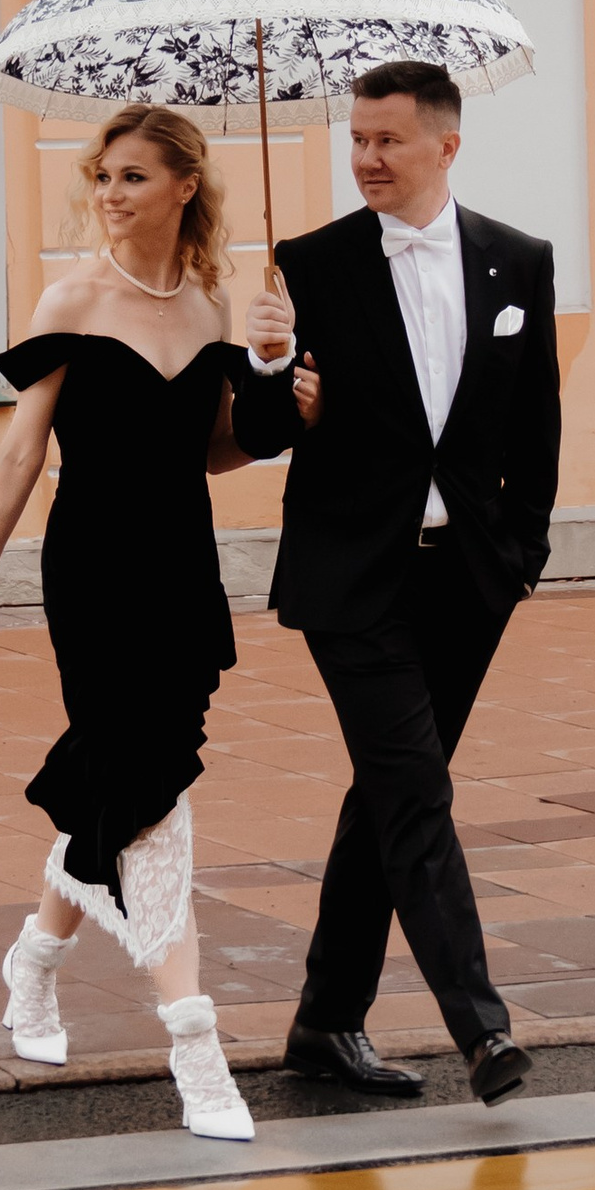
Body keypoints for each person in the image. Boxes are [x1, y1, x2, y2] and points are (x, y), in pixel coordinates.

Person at [232, 57, 560, 1107]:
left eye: (386, 140)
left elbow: (534, 426)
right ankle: (483, 1029)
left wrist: (518, 557)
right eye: (357, 140)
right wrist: (277, 370)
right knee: (415, 790)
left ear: (444, 146)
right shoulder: (309, 264)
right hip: (353, 578)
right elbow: (264, 431)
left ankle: (326, 1019)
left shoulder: (518, 261)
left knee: (388, 792)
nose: (366, 157)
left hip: (467, 578)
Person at [0, 102, 258, 1141]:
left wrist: (278, 388)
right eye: (103, 176)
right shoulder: (72, 298)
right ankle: (194, 1039)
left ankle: (35, 960)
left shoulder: (215, 308)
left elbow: (214, 451)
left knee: (132, 767)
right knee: (149, 786)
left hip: (183, 569)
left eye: (133, 176)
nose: (112, 193)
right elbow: (19, 453)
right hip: (92, 570)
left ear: (183, 187)